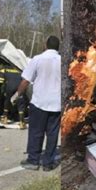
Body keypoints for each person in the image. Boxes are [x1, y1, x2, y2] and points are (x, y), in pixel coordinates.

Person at [12, 36, 61, 171]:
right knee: (52, 134)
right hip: (57, 104)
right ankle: (48, 163)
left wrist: (17, 95)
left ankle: (33, 161)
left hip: (39, 102)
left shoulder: (37, 59)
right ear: (58, 47)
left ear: (45, 45)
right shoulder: (63, 61)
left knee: (35, 132)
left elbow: (25, 81)